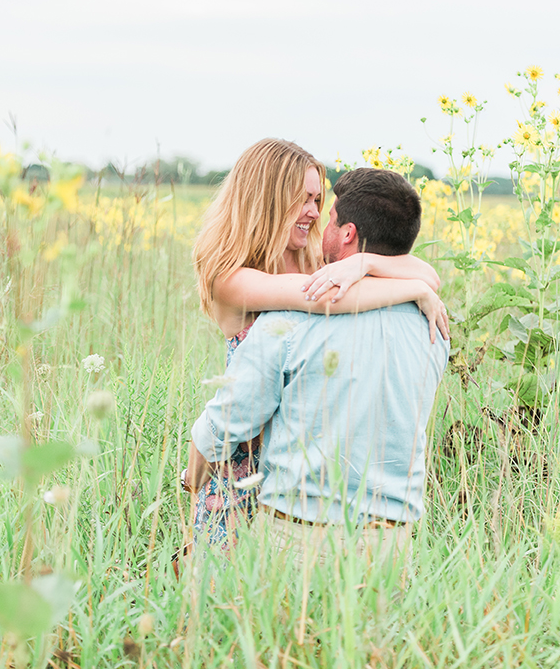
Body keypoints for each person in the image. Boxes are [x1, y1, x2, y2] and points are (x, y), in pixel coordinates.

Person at [186, 140, 448, 553]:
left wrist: (366, 263)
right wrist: (411, 289)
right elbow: (330, 300)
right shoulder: (231, 275)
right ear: (268, 199)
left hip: (294, 458)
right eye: (303, 199)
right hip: (242, 461)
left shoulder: (308, 257)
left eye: (318, 199)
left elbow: (427, 271)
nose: (313, 211)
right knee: (230, 594)